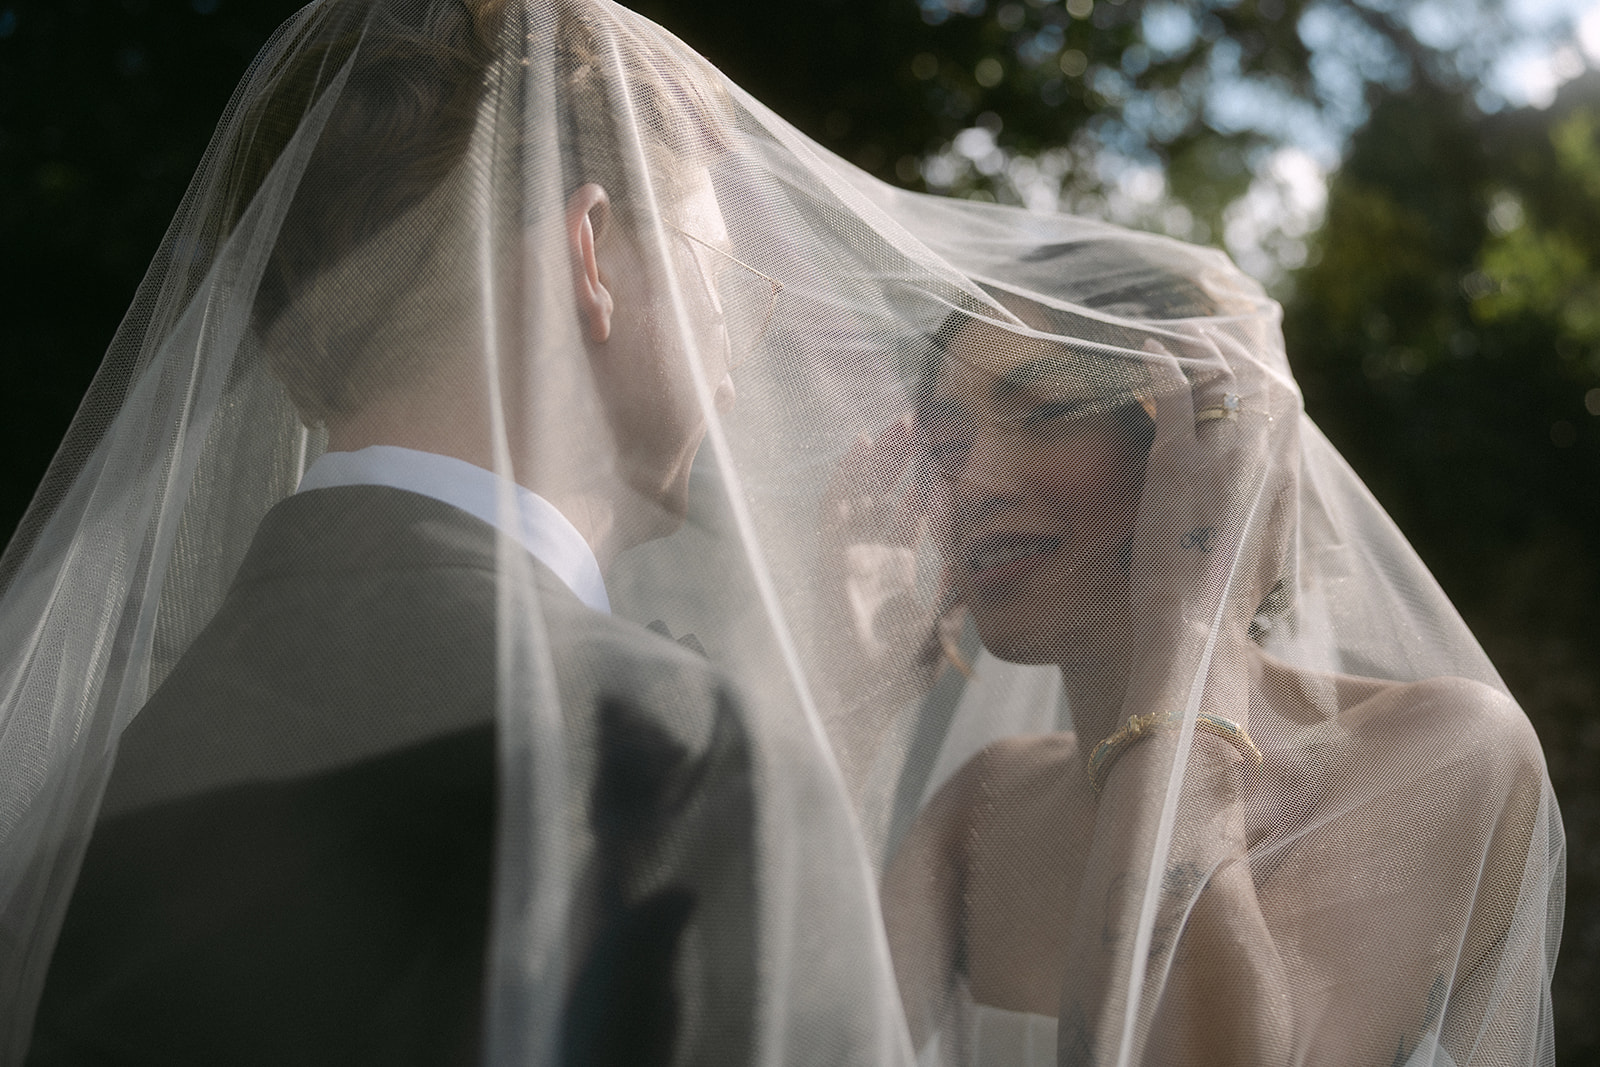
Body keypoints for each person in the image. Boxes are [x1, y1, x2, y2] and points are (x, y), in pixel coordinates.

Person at [4, 1, 907, 1063]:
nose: (734, 353)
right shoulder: (675, 752)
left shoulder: (86, 779)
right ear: (594, 255)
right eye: (725, 281)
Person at [842, 239, 1565, 1065]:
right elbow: (778, 1025)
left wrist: (1195, 622)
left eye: (1044, 412)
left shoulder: (1445, 748)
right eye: (944, 444)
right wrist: (856, 695)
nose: (970, 481)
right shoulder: (984, 804)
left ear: (1206, 436)